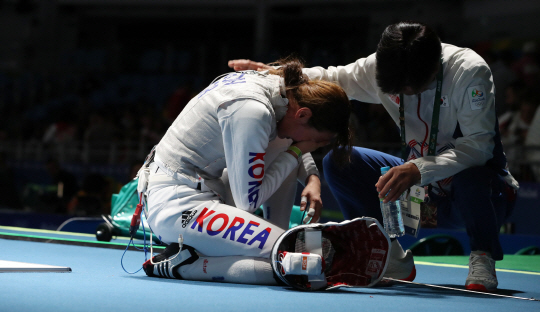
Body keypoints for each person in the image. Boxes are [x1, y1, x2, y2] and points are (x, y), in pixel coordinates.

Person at [228, 21, 520, 291]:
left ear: (434, 68)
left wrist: (419, 169)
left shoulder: (469, 72)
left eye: (411, 87)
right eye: (398, 89)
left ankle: (483, 255)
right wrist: (273, 73)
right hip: (422, 193)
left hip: (482, 195)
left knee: (474, 174)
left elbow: (480, 146)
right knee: (340, 160)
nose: (404, 92)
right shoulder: (383, 65)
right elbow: (332, 77)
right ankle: (382, 251)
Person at [139, 58, 354, 286]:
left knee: (294, 257)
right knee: (296, 262)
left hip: (205, 188)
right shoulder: (253, 111)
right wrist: (297, 150)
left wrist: (312, 177)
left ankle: (272, 235)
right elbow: (248, 202)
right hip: (179, 207)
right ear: (302, 115)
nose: (309, 145)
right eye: (314, 141)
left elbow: (288, 142)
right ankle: (183, 265)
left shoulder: (280, 92)